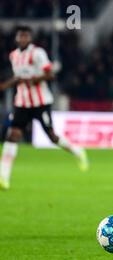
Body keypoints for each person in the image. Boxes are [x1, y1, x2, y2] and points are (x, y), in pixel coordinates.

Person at [0, 25, 88, 190]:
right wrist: (7, 85)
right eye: (20, 36)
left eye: (26, 36)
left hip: (40, 102)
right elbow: (18, 77)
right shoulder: (14, 56)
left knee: (52, 137)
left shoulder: (38, 53)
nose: (23, 39)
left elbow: (50, 74)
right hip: (22, 102)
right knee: (13, 135)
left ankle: (78, 151)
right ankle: (3, 177)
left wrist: (34, 79)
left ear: (30, 38)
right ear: (16, 38)